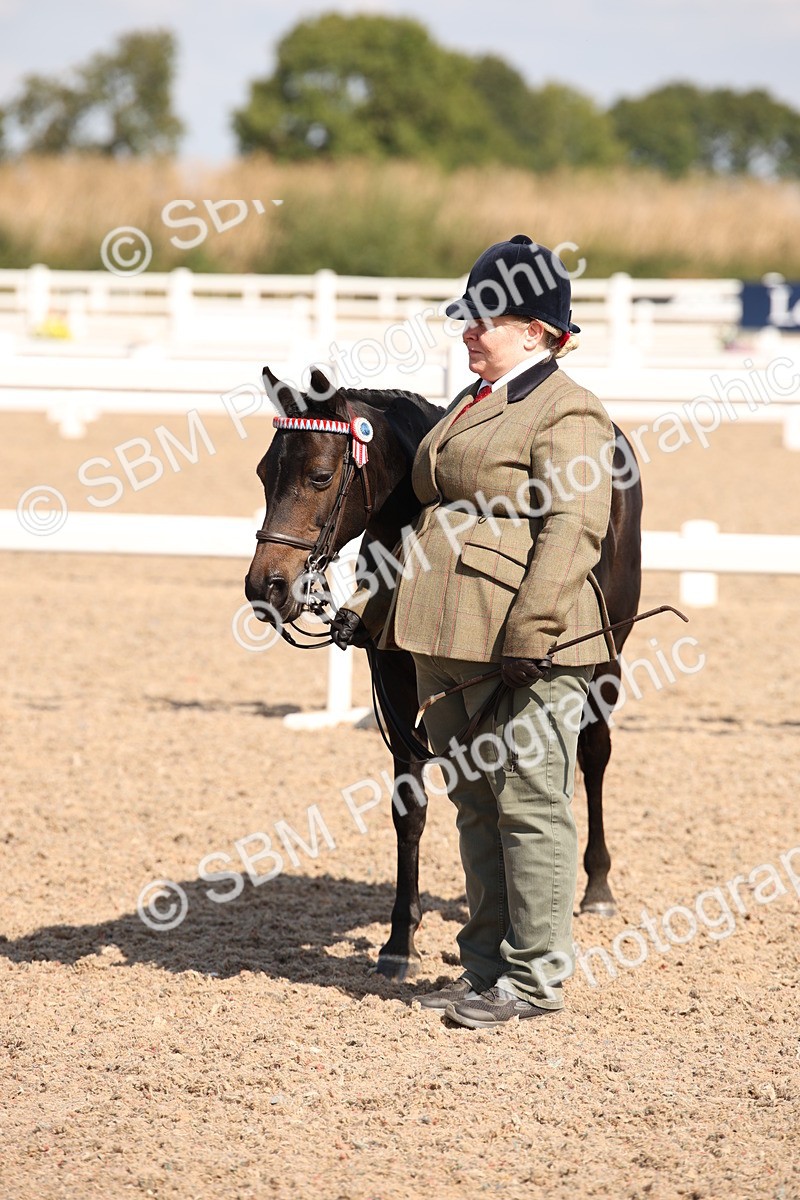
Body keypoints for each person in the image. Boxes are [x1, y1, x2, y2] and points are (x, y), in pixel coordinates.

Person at [332, 235, 616, 1029]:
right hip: (445, 635)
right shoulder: (470, 404)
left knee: (529, 803)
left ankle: (532, 980)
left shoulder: (569, 411)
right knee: (477, 803)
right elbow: (422, 520)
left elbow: (574, 526)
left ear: (537, 332)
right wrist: (372, 604)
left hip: (521, 642)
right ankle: (486, 967)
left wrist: (533, 628)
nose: (467, 331)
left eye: (483, 319)